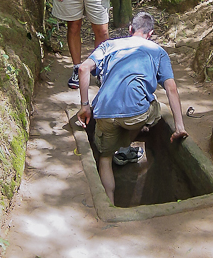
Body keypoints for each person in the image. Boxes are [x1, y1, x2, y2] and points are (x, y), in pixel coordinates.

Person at [77, 11, 188, 204]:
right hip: (136, 115)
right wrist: (179, 126)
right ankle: (125, 145)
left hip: (103, 111)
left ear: (130, 30)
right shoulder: (158, 51)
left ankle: (110, 204)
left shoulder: (109, 44)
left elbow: (83, 68)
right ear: (150, 33)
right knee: (154, 105)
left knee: (104, 158)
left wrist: (85, 106)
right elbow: (171, 88)